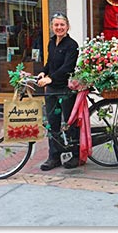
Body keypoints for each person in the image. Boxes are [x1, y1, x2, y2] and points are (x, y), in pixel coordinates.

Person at [37, 12, 79, 171]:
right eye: (56, 25)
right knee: (52, 123)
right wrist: (43, 72)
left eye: (62, 25)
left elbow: (67, 67)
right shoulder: (51, 42)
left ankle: (76, 155)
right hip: (52, 89)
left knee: (70, 122)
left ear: (67, 26)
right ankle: (54, 156)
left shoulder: (72, 45)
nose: (59, 27)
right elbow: (50, 63)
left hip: (65, 88)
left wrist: (50, 78)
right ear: (51, 27)